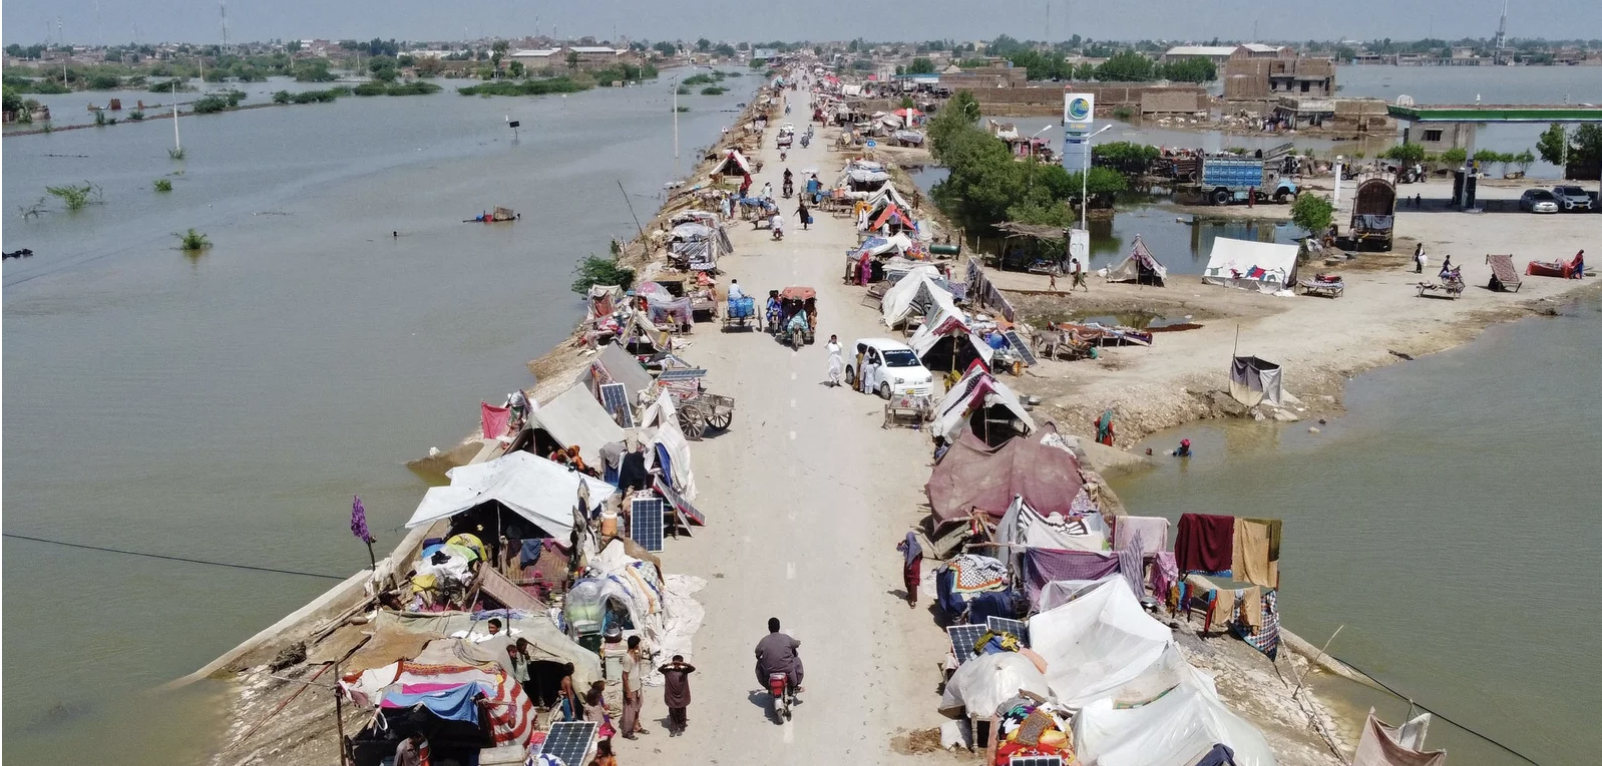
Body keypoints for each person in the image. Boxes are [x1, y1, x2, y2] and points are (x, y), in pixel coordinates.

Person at [754, 617, 803, 693]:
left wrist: (758, 657)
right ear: (779, 627)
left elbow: (757, 652)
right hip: (787, 670)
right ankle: (795, 686)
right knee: (797, 660)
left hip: (769, 671)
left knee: (759, 663)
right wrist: (798, 642)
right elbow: (795, 644)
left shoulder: (764, 641)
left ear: (769, 628)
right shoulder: (786, 638)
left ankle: (766, 685)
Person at [658, 655, 697, 737]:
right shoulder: (668, 672)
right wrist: (668, 664)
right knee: (672, 713)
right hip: (671, 696)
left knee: (682, 712)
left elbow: (692, 669)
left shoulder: (684, 671)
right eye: (675, 664)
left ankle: (681, 727)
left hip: (682, 695)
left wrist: (684, 664)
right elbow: (660, 669)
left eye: (678, 664)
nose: (677, 665)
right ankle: (673, 729)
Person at [621, 636, 648, 739]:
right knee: (629, 711)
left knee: (637, 707)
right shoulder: (627, 658)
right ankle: (627, 731)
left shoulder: (635, 655)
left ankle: (636, 726)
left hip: (637, 686)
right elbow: (624, 675)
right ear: (636, 645)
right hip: (631, 688)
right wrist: (628, 691)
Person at [896, 532, 923, 609]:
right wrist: (917, 564)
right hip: (916, 566)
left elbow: (898, 548)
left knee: (908, 580)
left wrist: (901, 543)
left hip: (908, 565)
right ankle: (912, 600)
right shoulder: (918, 546)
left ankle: (911, 596)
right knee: (913, 582)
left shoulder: (906, 546)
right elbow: (921, 556)